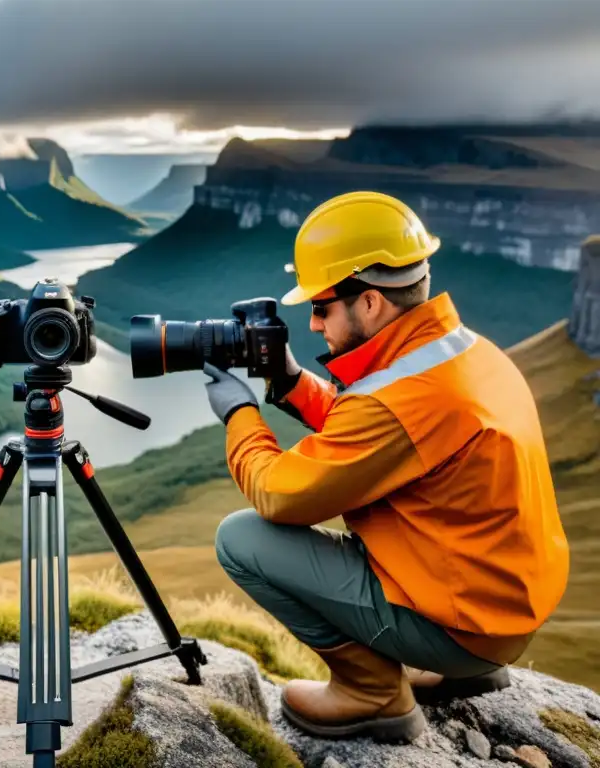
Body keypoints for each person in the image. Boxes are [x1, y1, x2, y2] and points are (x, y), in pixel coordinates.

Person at [202, 190, 570, 744]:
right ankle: (459, 666)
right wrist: (291, 381)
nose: (316, 325)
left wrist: (239, 415)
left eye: (321, 308)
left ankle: (371, 691)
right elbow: (378, 431)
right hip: (502, 609)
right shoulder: (465, 354)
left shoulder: (401, 399)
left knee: (242, 540)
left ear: (370, 302)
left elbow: (277, 492)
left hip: (463, 628)